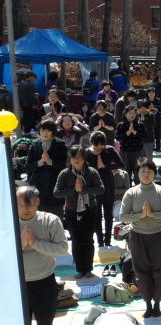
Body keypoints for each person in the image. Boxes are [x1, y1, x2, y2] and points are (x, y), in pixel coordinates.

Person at [18, 186, 69, 325]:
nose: (25, 210)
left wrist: (34, 243)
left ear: (37, 202)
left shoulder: (50, 220)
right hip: (18, 284)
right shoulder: (7, 222)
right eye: (20, 205)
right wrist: (21, 245)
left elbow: (62, 249)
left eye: (29, 205)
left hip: (44, 281)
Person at [120, 160, 161, 318]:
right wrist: (140, 216)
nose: (146, 175)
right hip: (138, 236)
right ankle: (147, 304)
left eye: (149, 171)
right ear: (137, 174)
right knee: (141, 272)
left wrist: (153, 215)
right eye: (142, 171)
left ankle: (157, 303)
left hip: (159, 235)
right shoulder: (131, 193)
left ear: (154, 174)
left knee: (159, 271)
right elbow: (123, 216)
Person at [54, 146, 104, 279]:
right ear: (69, 159)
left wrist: (84, 189)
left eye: (79, 157)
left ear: (84, 159)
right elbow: (57, 192)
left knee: (88, 240)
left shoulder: (91, 172)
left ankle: (88, 268)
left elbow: (101, 189)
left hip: (90, 210)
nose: (76, 160)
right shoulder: (65, 173)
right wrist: (74, 190)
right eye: (73, 157)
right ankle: (80, 269)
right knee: (76, 241)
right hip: (71, 211)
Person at [85, 131, 123, 248]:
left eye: (101, 145)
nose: (98, 147)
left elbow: (120, 164)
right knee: (97, 215)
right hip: (94, 184)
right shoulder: (87, 152)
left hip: (108, 183)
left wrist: (106, 166)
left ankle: (108, 240)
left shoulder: (109, 150)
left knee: (108, 214)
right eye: (96, 145)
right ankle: (100, 241)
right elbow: (84, 168)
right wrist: (97, 167)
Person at [27, 120, 68, 217]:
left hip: (56, 183)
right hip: (39, 184)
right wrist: (41, 162)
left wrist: (50, 162)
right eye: (42, 131)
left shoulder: (61, 144)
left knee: (57, 214)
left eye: (48, 131)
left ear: (52, 132)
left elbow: (65, 164)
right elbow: (28, 165)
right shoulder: (34, 144)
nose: (45, 133)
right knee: (41, 215)